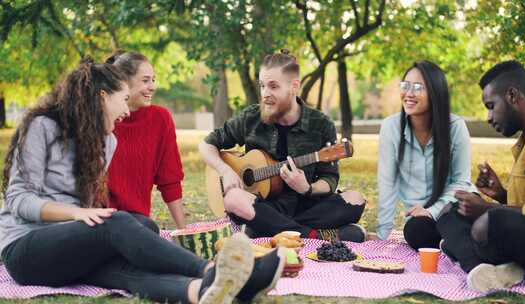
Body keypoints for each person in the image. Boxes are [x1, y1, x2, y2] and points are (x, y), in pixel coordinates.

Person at [0, 59, 285, 304]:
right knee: (119, 224)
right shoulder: (44, 127)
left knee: (141, 228)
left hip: (69, 249)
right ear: (101, 97)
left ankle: (202, 291)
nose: (127, 111)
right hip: (26, 250)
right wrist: (77, 213)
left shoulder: (105, 141)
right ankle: (212, 270)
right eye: (123, 100)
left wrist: (92, 219)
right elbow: (19, 199)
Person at [199, 50, 367, 241]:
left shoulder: (321, 124)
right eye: (262, 86)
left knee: (355, 199)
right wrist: (225, 171)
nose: (265, 94)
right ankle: (312, 234)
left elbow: (329, 179)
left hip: (307, 206)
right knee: (233, 199)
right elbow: (206, 145)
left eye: (273, 86)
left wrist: (307, 188)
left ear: (294, 86)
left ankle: (264, 229)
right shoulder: (251, 117)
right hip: (263, 204)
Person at [437, 60, 525, 292]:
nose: (489, 117)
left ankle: (465, 251)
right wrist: (501, 195)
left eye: (491, 105)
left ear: (513, 95)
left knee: (491, 222)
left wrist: (489, 209)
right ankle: (482, 269)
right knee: (450, 212)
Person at [374, 60, 475, 250]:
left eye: (418, 87)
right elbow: (387, 183)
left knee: (467, 225)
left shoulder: (455, 127)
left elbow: (462, 182)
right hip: (421, 221)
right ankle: (453, 245)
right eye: (406, 86)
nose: (409, 93)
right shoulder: (391, 127)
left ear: (435, 93)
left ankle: (462, 247)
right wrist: (383, 237)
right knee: (415, 230)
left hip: (453, 207)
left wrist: (432, 211)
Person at [105, 51, 186, 229]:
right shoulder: (102, 118)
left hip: (138, 221)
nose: (152, 87)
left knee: (148, 228)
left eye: (153, 80)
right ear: (124, 82)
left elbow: (169, 179)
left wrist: (183, 231)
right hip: (100, 218)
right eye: (145, 80)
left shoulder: (161, 119)